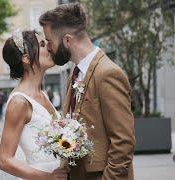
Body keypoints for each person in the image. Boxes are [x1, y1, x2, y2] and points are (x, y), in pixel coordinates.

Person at [39, 3, 135, 180]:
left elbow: (123, 142)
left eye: (49, 41)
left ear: (67, 40)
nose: (48, 48)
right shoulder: (74, 74)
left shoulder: (108, 73)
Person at [0, 30, 68, 180]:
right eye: (42, 44)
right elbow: (4, 160)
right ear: (27, 58)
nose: (49, 47)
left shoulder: (42, 95)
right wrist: (48, 177)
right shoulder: (19, 102)